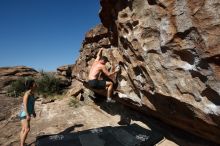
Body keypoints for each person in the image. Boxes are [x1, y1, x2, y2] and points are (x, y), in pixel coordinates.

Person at [19, 79, 37, 146]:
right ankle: (22, 144)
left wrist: (33, 112)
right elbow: (25, 105)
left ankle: (22, 143)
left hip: (27, 113)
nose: (36, 84)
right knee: (27, 129)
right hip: (24, 113)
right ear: (31, 86)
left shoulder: (32, 93)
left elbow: (32, 104)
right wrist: (27, 114)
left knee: (23, 129)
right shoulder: (27, 94)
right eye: (34, 83)